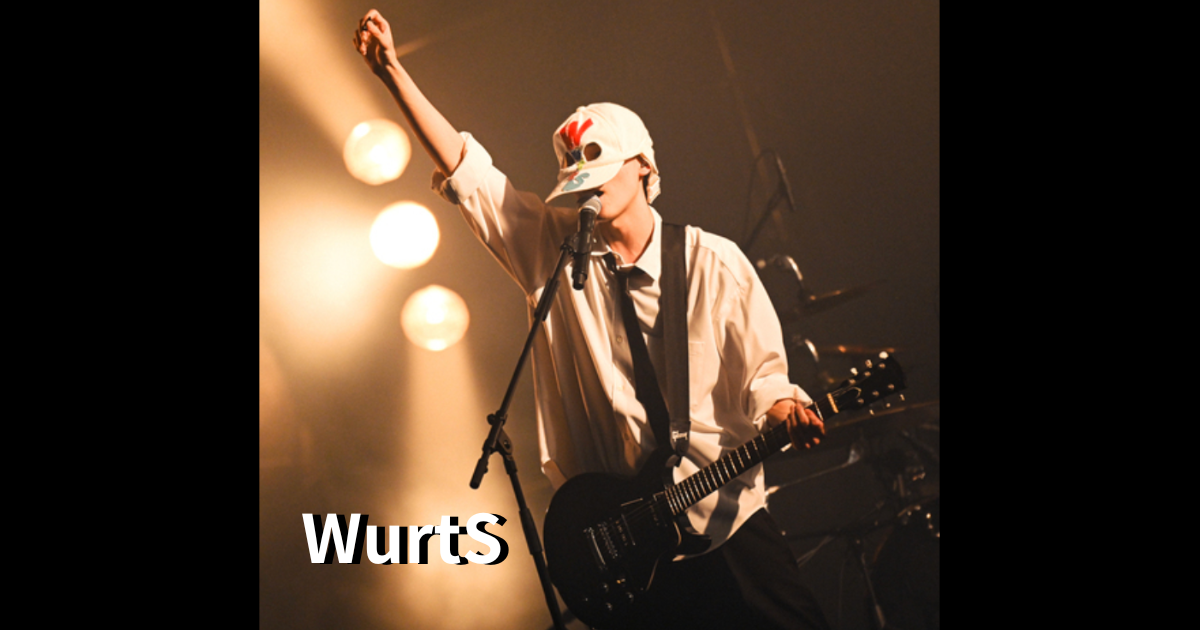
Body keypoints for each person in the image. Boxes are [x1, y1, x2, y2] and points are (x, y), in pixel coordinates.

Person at [354, 9, 832, 630]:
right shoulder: (554, 253)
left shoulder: (714, 263)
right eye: (580, 178)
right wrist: (393, 74)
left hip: (727, 522)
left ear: (645, 167)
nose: (591, 189)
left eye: (605, 172)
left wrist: (784, 408)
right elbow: (472, 177)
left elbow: (764, 375)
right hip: (630, 542)